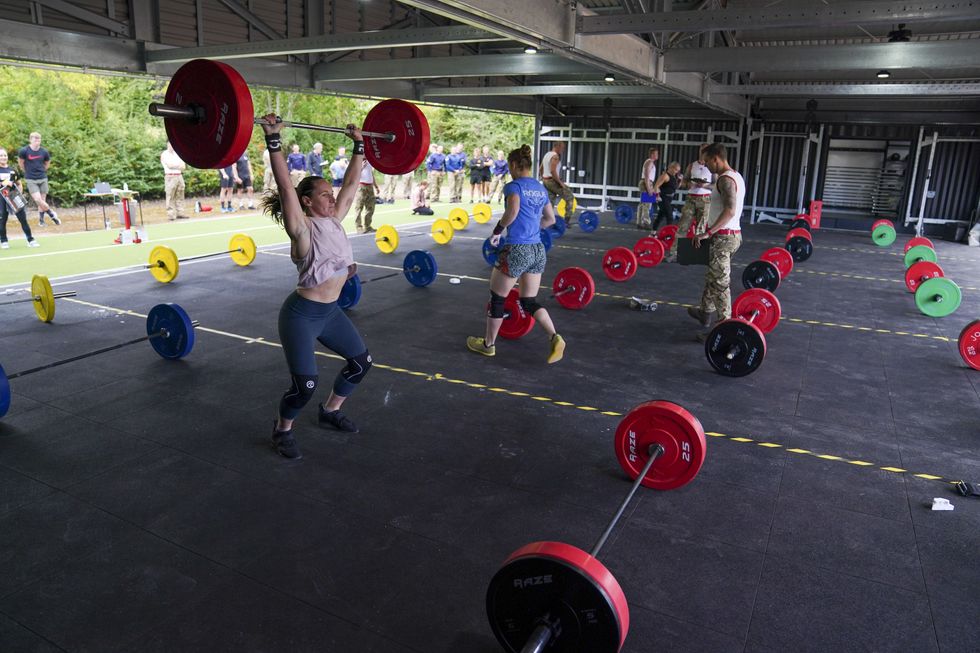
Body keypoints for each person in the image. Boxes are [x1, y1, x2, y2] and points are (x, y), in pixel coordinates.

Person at [259, 116, 372, 460]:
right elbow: (284, 188)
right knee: (304, 385)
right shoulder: (303, 230)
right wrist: (274, 140)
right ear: (306, 202)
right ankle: (282, 430)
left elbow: (352, 183)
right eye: (324, 194)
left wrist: (360, 144)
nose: (332, 197)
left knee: (361, 363)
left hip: (330, 313)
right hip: (301, 316)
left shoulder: (335, 220)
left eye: (331, 192)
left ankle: (331, 410)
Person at [467, 144, 565, 364]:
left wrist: (497, 231)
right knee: (528, 300)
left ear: (512, 165)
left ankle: (488, 345)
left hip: (517, 249)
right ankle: (554, 336)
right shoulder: (540, 188)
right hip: (537, 250)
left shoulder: (514, 186)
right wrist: (531, 228)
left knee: (497, 297)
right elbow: (550, 219)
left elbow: (512, 212)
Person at [687, 143, 744, 341]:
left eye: (707, 161)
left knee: (720, 284)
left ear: (716, 158)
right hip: (729, 235)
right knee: (712, 276)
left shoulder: (726, 180)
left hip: (723, 237)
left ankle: (723, 328)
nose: (705, 165)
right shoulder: (735, 176)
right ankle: (705, 313)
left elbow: (730, 210)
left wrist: (708, 232)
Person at [667, 144, 713, 263]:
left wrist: (706, 185)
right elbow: (683, 183)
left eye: (705, 150)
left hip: (705, 199)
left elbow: (717, 185)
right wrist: (688, 184)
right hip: (691, 199)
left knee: (701, 229)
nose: (703, 152)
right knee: (682, 226)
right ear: (699, 151)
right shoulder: (692, 165)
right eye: (701, 150)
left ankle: (697, 255)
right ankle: (674, 253)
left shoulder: (712, 167)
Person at [18, 132, 59, 226]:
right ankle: (51, 213)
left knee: (42, 200)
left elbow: (47, 163)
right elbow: (21, 163)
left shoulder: (44, 152)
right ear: (30, 139)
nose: (37, 140)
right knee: (37, 199)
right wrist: (26, 171)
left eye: (39, 139)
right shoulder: (24, 151)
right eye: (35, 138)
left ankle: (41, 221)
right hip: (31, 179)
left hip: (42, 178)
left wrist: (42, 170)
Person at [0, 148, 39, 249]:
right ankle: (3, 240)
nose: (4, 157)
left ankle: (30, 239)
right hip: (1, 199)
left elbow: (19, 183)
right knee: (2, 220)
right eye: (1, 156)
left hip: (14, 197)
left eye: (5, 155)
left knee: (23, 219)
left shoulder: (12, 170)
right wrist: (3, 183)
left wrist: (19, 194)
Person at [539, 142, 575, 223]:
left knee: (550, 202)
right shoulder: (555, 156)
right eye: (562, 147)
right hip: (552, 181)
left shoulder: (547, 154)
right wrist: (560, 182)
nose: (563, 149)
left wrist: (543, 178)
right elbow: (552, 171)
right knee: (570, 197)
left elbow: (540, 169)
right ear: (557, 146)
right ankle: (567, 221)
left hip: (546, 181)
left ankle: (548, 221)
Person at [160, 142, 190, 221]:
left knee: (180, 195)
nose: (172, 146)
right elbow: (169, 165)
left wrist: (176, 165)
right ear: (167, 145)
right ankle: (171, 215)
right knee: (170, 195)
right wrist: (178, 165)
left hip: (179, 176)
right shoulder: (164, 154)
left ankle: (180, 213)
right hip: (170, 176)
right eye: (170, 144)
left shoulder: (178, 154)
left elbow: (183, 166)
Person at [650, 161, 682, 232]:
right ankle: (668, 235)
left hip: (668, 199)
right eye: (676, 170)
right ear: (670, 167)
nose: (676, 172)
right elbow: (656, 186)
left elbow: (675, 188)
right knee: (670, 217)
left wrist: (680, 181)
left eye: (678, 171)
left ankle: (653, 233)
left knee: (660, 216)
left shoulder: (674, 177)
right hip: (663, 199)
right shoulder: (665, 176)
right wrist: (658, 197)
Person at [636, 147, 660, 230]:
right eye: (656, 154)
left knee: (643, 204)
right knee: (647, 204)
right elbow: (646, 176)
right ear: (652, 154)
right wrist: (649, 188)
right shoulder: (649, 162)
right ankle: (645, 223)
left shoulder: (650, 162)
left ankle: (639, 223)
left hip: (647, 182)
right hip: (646, 182)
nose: (657, 155)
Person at [354, 159, 380, 234]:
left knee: (371, 207)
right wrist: (361, 167)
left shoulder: (370, 161)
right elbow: (354, 174)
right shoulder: (357, 162)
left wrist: (376, 186)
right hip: (361, 186)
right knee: (359, 207)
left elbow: (371, 174)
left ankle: (367, 226)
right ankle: (359, 227)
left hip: (370, 186)